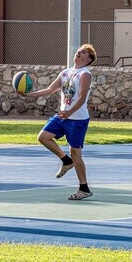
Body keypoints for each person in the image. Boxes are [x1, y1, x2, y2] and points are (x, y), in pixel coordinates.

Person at [21, 43, 96, 201]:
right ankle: (65, 160)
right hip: (63, 116)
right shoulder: (66, 73)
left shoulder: (85, 75)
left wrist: (69, 111)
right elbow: (49, 89)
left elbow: (82, 98)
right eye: (78, 51)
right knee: (43, 137)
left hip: (77, 119)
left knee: (76, 153)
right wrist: (29, 95)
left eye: (83, 52)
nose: (78, 53)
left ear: (88, 59)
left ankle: (84, 188)